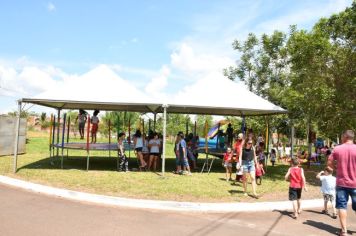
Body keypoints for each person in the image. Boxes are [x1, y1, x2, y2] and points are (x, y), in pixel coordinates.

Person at [328, 130, 356, 236]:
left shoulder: (337, 149)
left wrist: (336, 168)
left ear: (344, 137)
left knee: (342, 206)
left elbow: (329, 163)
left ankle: (343, 231)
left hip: (341, 183)